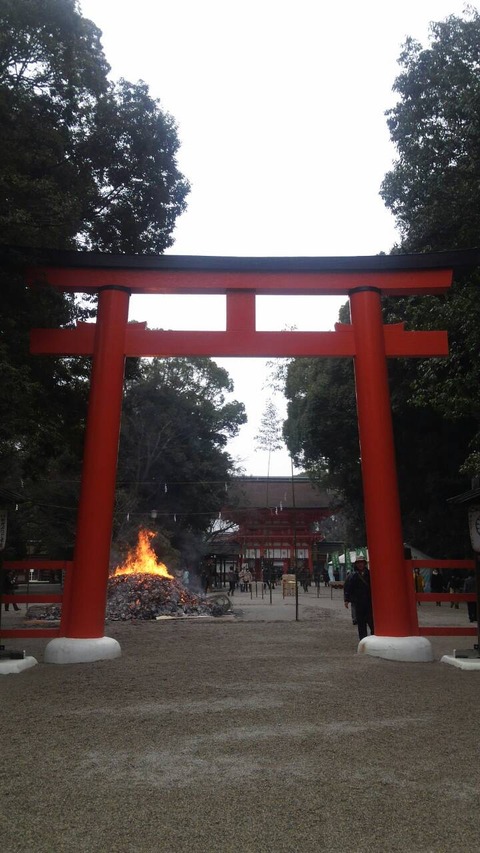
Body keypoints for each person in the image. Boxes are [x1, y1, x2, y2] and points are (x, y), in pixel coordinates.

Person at [343, 557, 374, 641]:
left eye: (362, 562)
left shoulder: (370, 574)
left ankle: (373, 637)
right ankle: (363, 640)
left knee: (372, 622)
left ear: (365, 563)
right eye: (358, 563)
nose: (360, 564)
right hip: (358, 602)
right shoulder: (353, 575)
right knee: (361, 623)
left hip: (369, 601)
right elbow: (348, 588)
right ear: (356, 564)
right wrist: (346, 599)